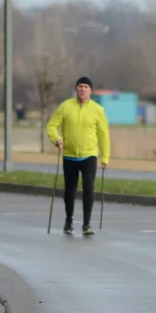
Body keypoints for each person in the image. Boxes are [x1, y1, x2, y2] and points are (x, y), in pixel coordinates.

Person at [45, 76, 110, 235]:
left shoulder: (97, 110)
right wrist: (56, 139)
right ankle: (69, 221)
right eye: (80, 86)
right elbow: (52, 126)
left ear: (91, 91)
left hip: (89, 155)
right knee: (70, 190)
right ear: (76, 89)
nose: (82, 89)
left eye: (86, 87)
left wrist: (105, 156)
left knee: (89, 188)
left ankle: (87, 224)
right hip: (69, 155)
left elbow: (103, 134)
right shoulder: (66, 107)